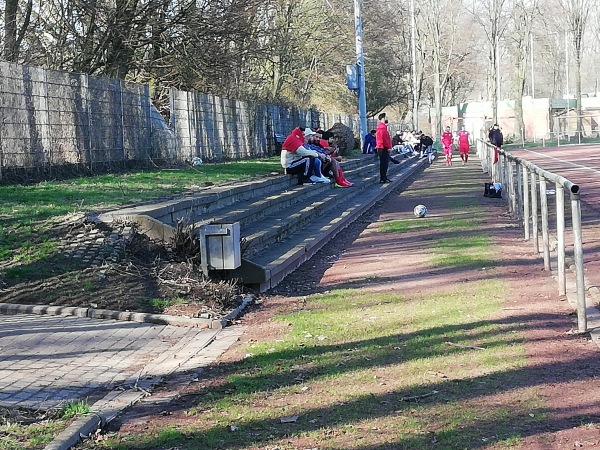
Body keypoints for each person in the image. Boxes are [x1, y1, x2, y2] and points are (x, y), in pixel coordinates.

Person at [376, 112, 394, 183]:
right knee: (384, 164)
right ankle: (383, 178)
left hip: (382, 147)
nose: (387, 118)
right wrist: (388, 147)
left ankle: (384, 177)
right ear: (383, 118)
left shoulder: (382, 127)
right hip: (383, 147)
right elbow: (384, 139)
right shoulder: (382, 128)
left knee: (384, 163)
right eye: (386, 117)